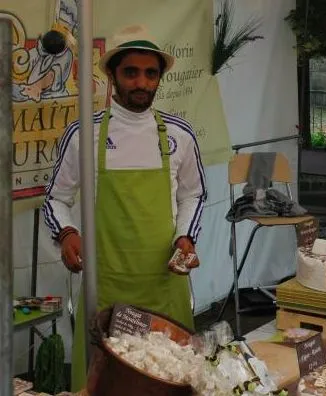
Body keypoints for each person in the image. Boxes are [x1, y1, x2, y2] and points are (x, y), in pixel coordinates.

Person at [41, 25, 207, 390]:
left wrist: (185, 238)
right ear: (113, 76)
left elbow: (193, 194)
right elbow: (56, 198)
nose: (141, 83)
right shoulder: (86, 133)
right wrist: (67, 234)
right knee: (105, 386)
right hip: (107, 287)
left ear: (159, 79)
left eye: (151, 74)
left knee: (171, 381)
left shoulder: (179, 134)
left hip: (166, 286)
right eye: (131, 72)